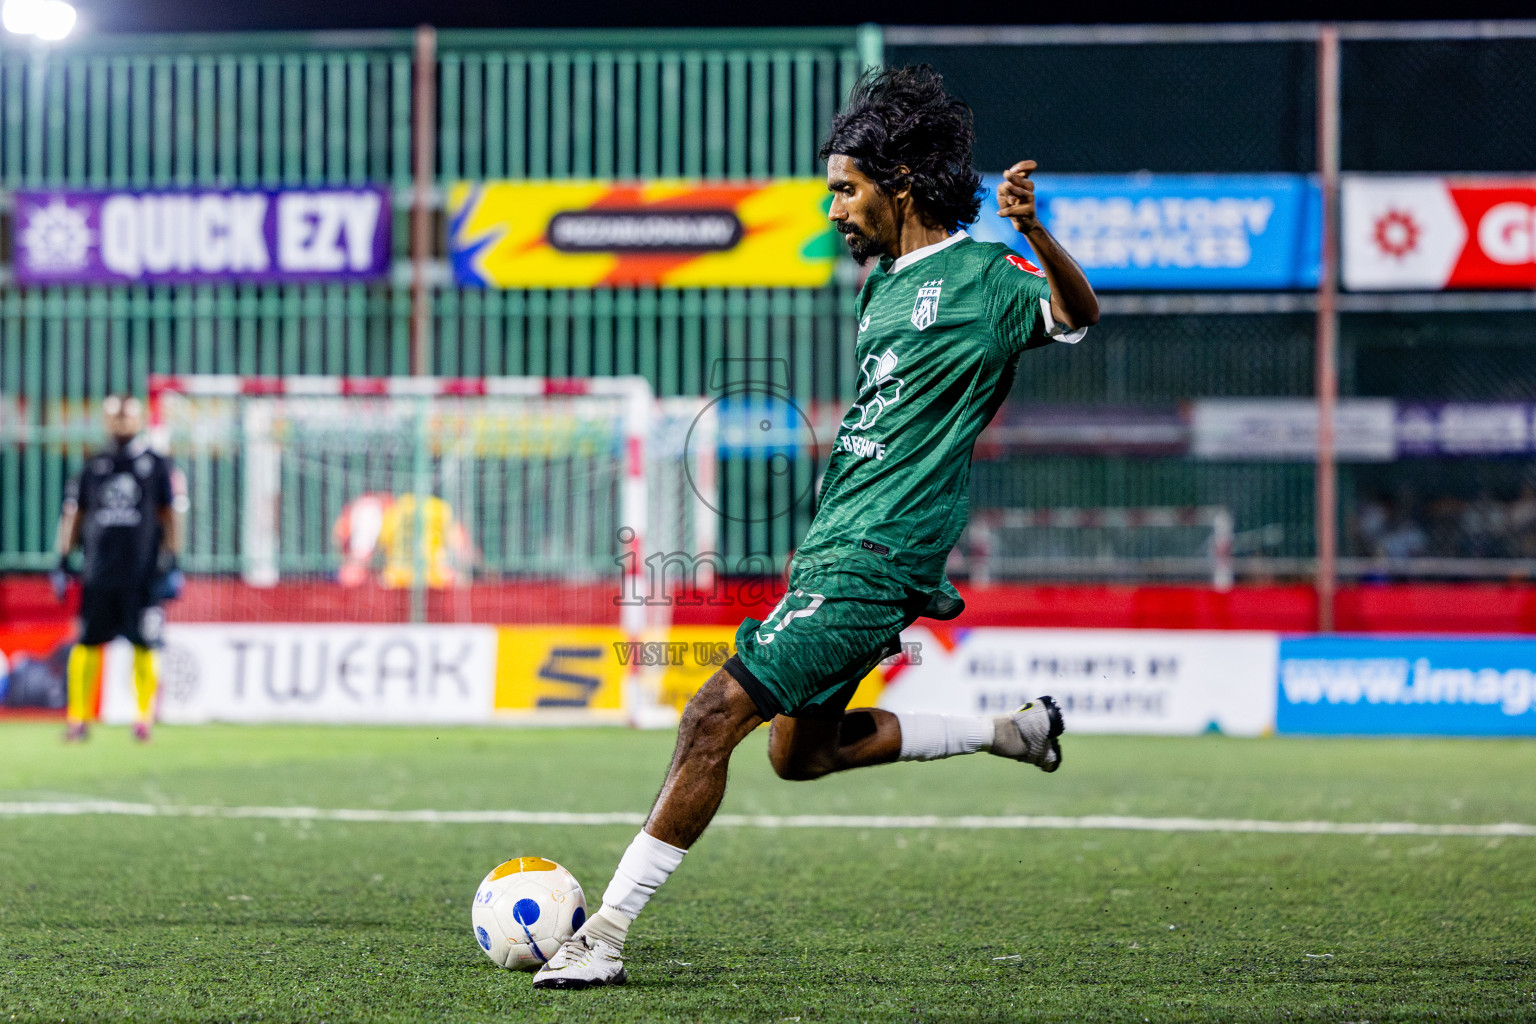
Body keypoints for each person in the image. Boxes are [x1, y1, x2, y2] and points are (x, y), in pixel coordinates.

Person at [532, 65, 1099, 990]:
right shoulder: (881, 287)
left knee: (713, 713)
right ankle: (1012, 732)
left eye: (845, 188)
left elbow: (1077, 316)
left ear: (900, 186)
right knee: (801, 754)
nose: (833, 208)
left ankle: (602, 936)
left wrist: (1032, 231)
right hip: (834, 547)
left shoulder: (988, 275)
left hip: (881, 556)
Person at [51, 393, 187, 742]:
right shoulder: (93, 465)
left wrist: (174, 560)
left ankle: (143, 718)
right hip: (97, 573)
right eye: (114, 416)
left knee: (145, 644)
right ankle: (77, 718)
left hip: (142, 573)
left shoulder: (156, 465)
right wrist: (62, 559)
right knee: (87, 643)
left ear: (139, 419)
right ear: (106, 420)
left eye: (127, 416)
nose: (121, 422)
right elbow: (74, 515)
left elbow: (169, 515)